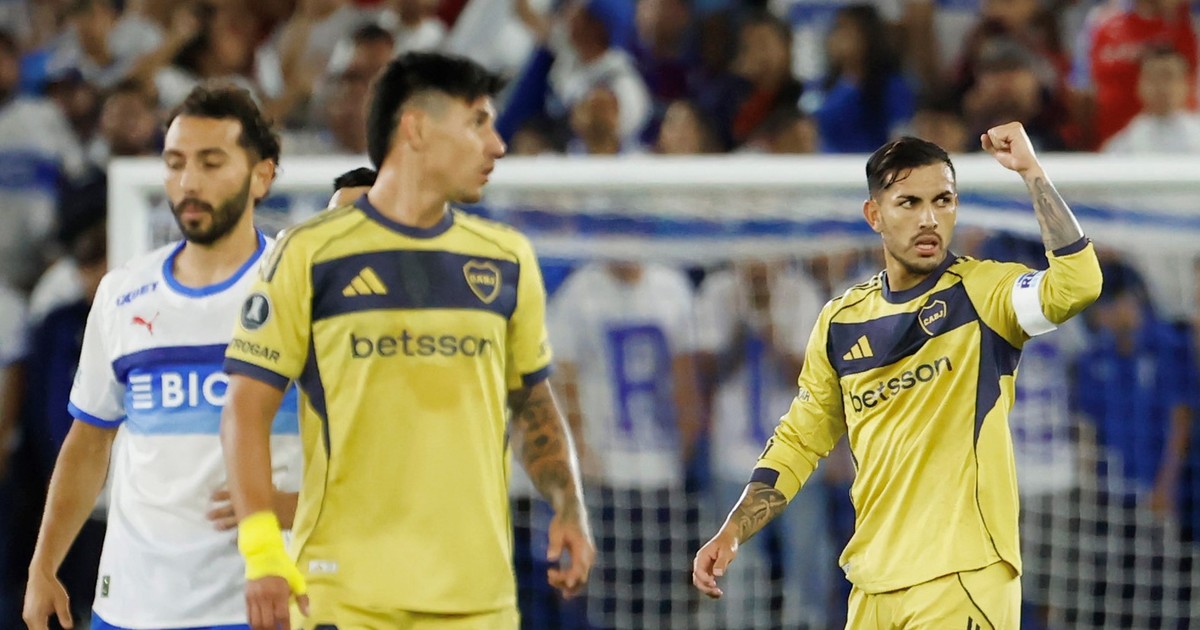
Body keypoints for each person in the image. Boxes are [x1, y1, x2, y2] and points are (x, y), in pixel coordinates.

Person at [220, 51, 595, 630]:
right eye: (477, 123)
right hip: (345, 599)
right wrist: (263, 552)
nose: (497, 145)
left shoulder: (506, 258)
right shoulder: (309, 255)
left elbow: (530, 401)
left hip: (478, 600)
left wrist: (569, 505)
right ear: (416, 129)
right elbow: (246, 411)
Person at [693, 122, 1104, 628]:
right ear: (874, 215)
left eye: (943, 201)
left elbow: (1078, 284)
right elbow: (799, 440)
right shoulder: (841, 321)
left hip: (963, 576)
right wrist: (733, 529)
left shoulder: (984, 293)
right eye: (909, 203)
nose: (929, 219)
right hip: (873, 585)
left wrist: (1031, 172)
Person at [22, 84, 303, 630]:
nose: (189, 181)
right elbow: (89, 441)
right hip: (132, 605)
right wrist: (44, 564)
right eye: (175, 163)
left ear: (262, 176)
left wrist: (299, 506)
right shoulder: (123, 292)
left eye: (211, 162)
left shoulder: (301, 288)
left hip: (258, 601)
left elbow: (363, 438)